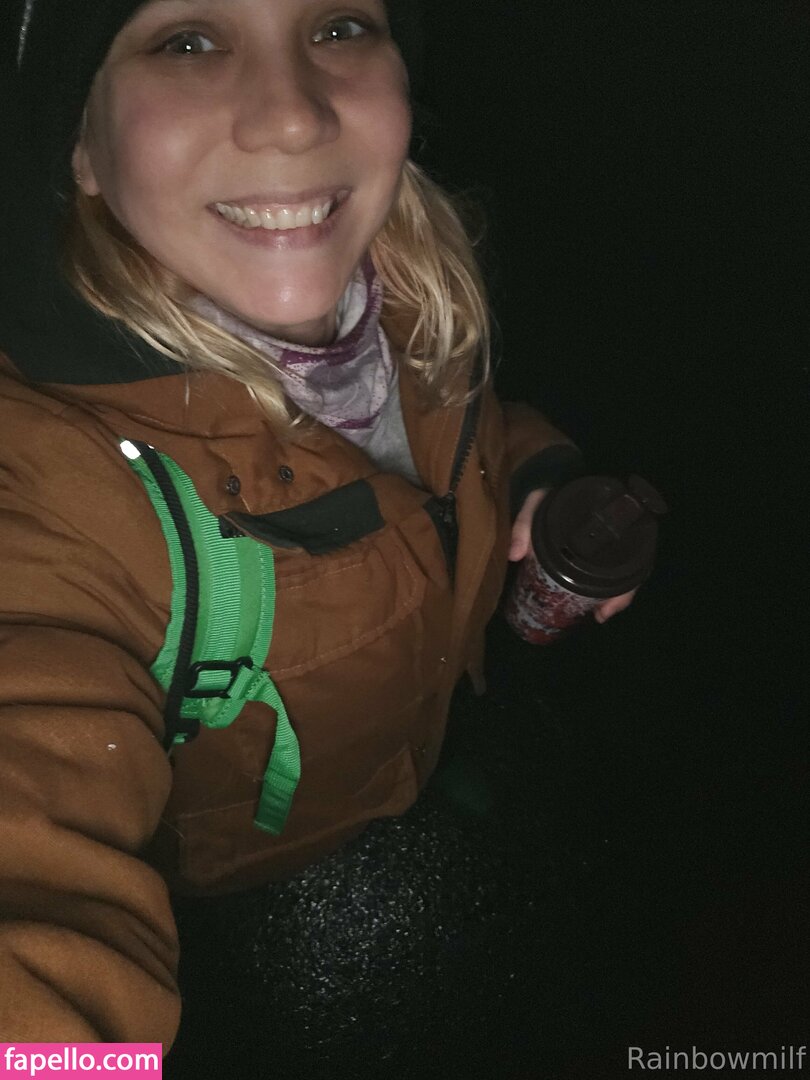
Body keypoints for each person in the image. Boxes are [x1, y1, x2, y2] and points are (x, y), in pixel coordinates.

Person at [0, 0, 634, 1049]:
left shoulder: (409, 279)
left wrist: (535, 472)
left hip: (424, 724)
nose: (293, 116)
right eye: (187, 41)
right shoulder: (49, 486)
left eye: (339, 26)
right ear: (79, 145)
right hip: (245, 858)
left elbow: (458, 431)